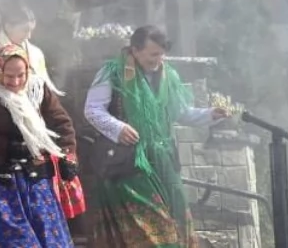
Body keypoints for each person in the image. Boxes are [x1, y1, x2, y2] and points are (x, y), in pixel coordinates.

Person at [83, 25, 229, 248]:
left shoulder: (168, 75)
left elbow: (179, 112)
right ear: (135, 50)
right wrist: (117, 128)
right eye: (153, 54)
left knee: (178, 226)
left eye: (161, 54)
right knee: (153, 233)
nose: (159, 60)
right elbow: (93, 109)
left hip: (163, 162)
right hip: (130, 164)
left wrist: (211, 114)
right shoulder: (112, 72)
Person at [0, 45, 78, 248]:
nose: (16, 82)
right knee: (15, 240)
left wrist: (68, 156)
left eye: (21, 75)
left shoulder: (38, 88)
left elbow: (62, 124)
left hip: (36, 176)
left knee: (51, 238)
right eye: (9, 76)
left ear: (28, 70)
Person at [0, 5, 49, 82]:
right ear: (8, 27)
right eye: (25, 30)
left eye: (31, 31)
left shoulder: (36, 53)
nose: (29, 36)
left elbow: (45, 84)